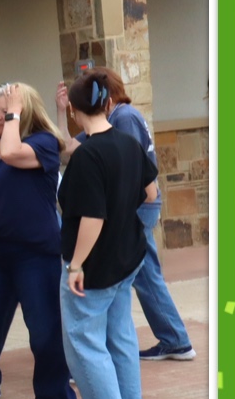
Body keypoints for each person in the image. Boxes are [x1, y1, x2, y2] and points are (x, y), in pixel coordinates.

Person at [56, 77, 194, 362]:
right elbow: (67, 147)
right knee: (133, 288)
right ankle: (172, 342)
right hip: (125, 211)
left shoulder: (125, 120)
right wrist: (61, 111)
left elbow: (140, 188)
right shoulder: (103, 129)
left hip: (132, 212)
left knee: (143, 275)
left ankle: (176, 339)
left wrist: (77, 264)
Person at [59, 69, 158, 399]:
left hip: (96, 267)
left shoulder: (87, 156)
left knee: (84, 340)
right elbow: (149, 194)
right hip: (128, 256)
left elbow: (92, 218)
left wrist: (76, 264)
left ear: (73, 110)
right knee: (119, 335)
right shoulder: (127, 144)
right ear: (109, 103)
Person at [0, 83, 77, 399]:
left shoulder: (43, 144)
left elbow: (11, 154)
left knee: (44, 329)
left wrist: (14, 114)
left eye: (2, 109)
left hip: (36, 255)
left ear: (22, 112)